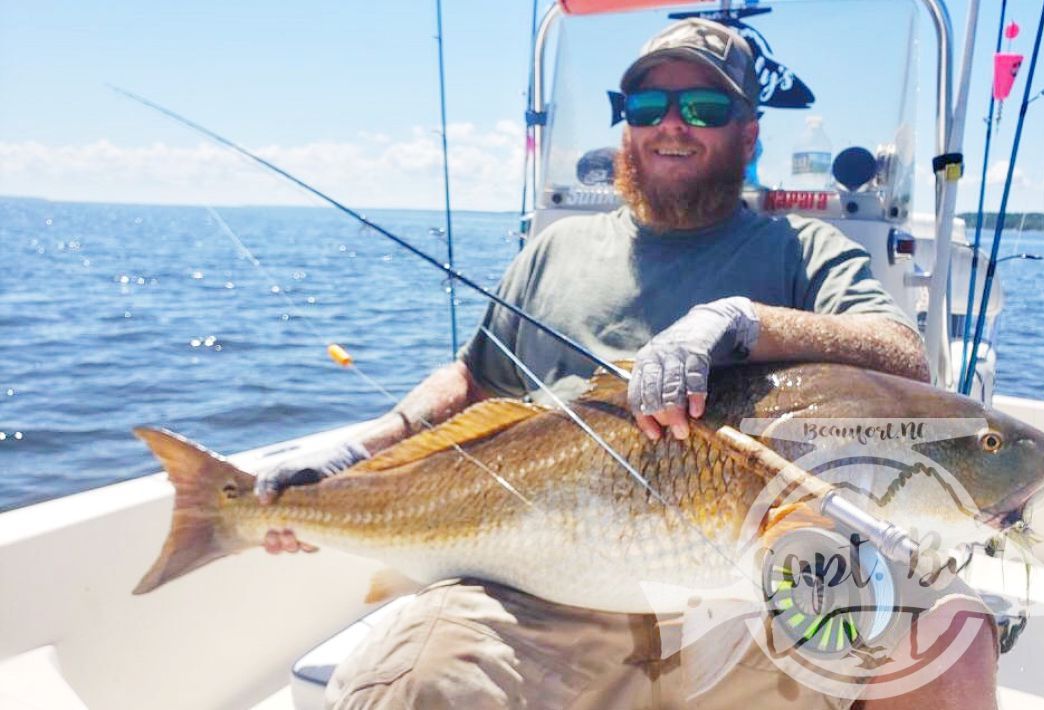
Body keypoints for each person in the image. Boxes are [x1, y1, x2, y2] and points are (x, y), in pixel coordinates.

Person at [257, 18, 998, 710]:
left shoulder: (800, 251)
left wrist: (744, 323)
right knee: (422, 683)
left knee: (952, 632)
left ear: (749, 133)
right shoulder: (553, 252)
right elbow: (472, 382)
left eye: (705, 106)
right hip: (539, 593)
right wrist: (360, 450)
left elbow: (903, 358)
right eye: (646, 103)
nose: (671, 123)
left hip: (763, 595)